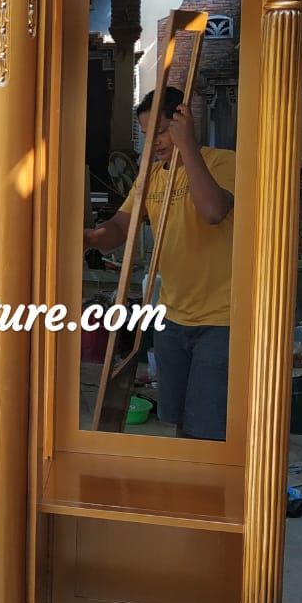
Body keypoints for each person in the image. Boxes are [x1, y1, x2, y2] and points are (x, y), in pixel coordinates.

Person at [83, 86, 235, 440]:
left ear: (185, 123)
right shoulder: (149, 177)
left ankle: (206, 476)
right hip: (171, 315)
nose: (155, 143)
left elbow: (213, 212)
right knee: (177, 420)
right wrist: (94, 237)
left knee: (209, 429)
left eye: (163, 131)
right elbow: (121, 227)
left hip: (221, 319)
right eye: (148, 134)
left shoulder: (222, 162)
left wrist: (188, 148)